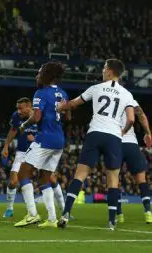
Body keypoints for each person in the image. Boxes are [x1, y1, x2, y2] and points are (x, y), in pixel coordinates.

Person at [57, 59, 136, 230]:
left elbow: (73, 104)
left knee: (80, 175)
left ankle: (65, 214)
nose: (102, 71)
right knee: (113, 179)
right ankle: (111, 222)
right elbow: (131, 118)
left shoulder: (96, 88)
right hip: (113, 136)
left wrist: (61, 107)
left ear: (109, 71)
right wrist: (123, 131)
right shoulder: (126, 94)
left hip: (95, 133)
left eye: (104, 68)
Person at [13, 61, 69, 228]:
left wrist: (24, 125)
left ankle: (32, 214)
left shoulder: (40, 93)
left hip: (45, 138)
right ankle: (52, 219)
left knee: (23, 173)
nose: (37, 76)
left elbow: (36, 118)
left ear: (47, 75)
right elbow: (67, 117)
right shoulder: (62, 93)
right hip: (59, 139)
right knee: (44, 178)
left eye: (39, 72)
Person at [1, 98, 66, 219]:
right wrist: (6, 146)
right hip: (22, 152)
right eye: (17, 108)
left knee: (50, 180)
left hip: (40, 150)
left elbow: (48, 132)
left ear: (29, 107)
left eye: (21, 108)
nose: (18, 111)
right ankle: (9, 208)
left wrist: (35, 139)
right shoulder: (16, 116)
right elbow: (13, 130)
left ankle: (63, 209)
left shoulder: (40, 115)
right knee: (12, 182)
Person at [116, 102, 152, 223]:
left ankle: (119, 214)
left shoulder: (105, 96)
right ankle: (148, 212)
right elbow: (141, 114)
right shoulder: (129, 98)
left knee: (114, 179)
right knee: (141, 180)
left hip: (115, 143)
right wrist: (148, 132)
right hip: (131, 144)